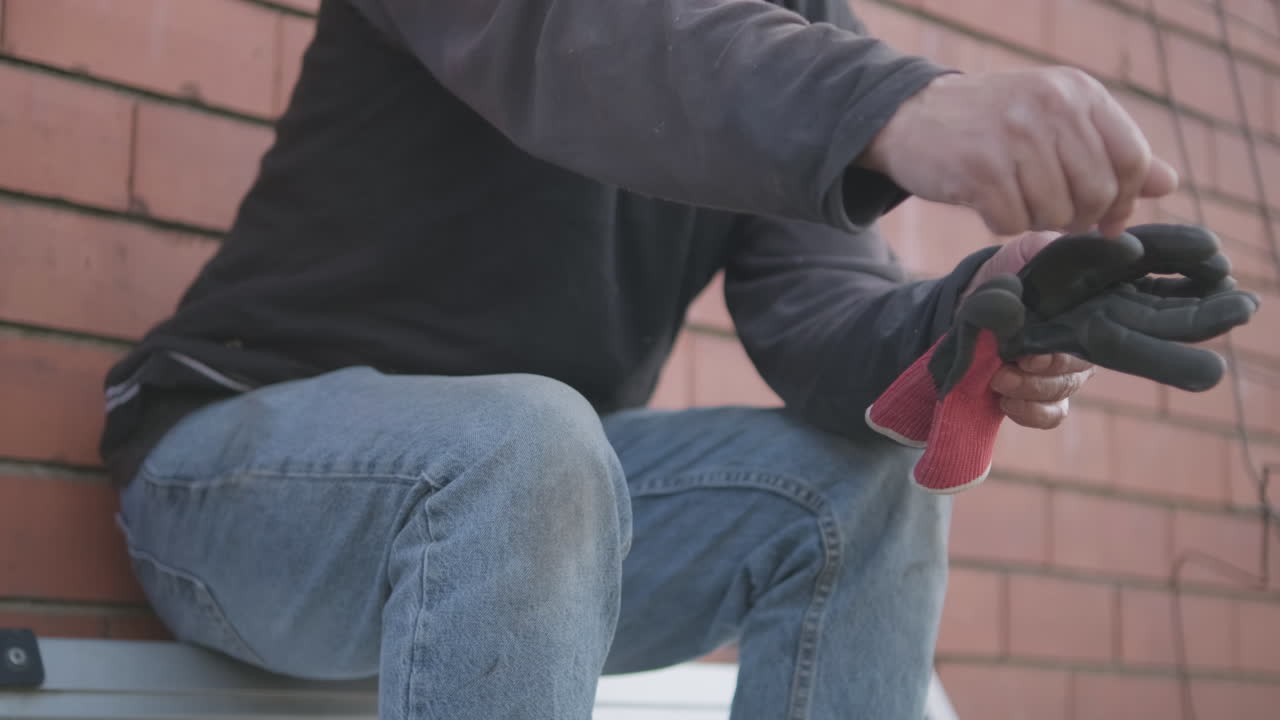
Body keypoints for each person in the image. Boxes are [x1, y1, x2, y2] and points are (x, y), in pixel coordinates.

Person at [100, 1, 1178, 718]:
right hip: (248, 481)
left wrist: (977, 309)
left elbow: (824, 310)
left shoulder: (794, 24)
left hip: (536, 519)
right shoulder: (693, 56)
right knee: (525, 441)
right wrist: (893, 107)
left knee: (865, 486)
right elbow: (590, 47)